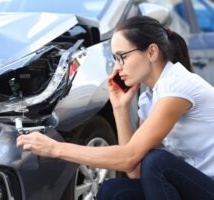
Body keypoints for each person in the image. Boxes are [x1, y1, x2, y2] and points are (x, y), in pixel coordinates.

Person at [17, 15, 214, 199]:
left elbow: (130, 158)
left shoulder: (177, 84)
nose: (117, 67)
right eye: (115, 59)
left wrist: (55, 148)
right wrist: (119, 107)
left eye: (123, 57)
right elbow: (134, 170)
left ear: (152, 52)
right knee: (113, 189)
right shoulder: (148, 99)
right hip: (196, 186)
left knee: (157, 161)